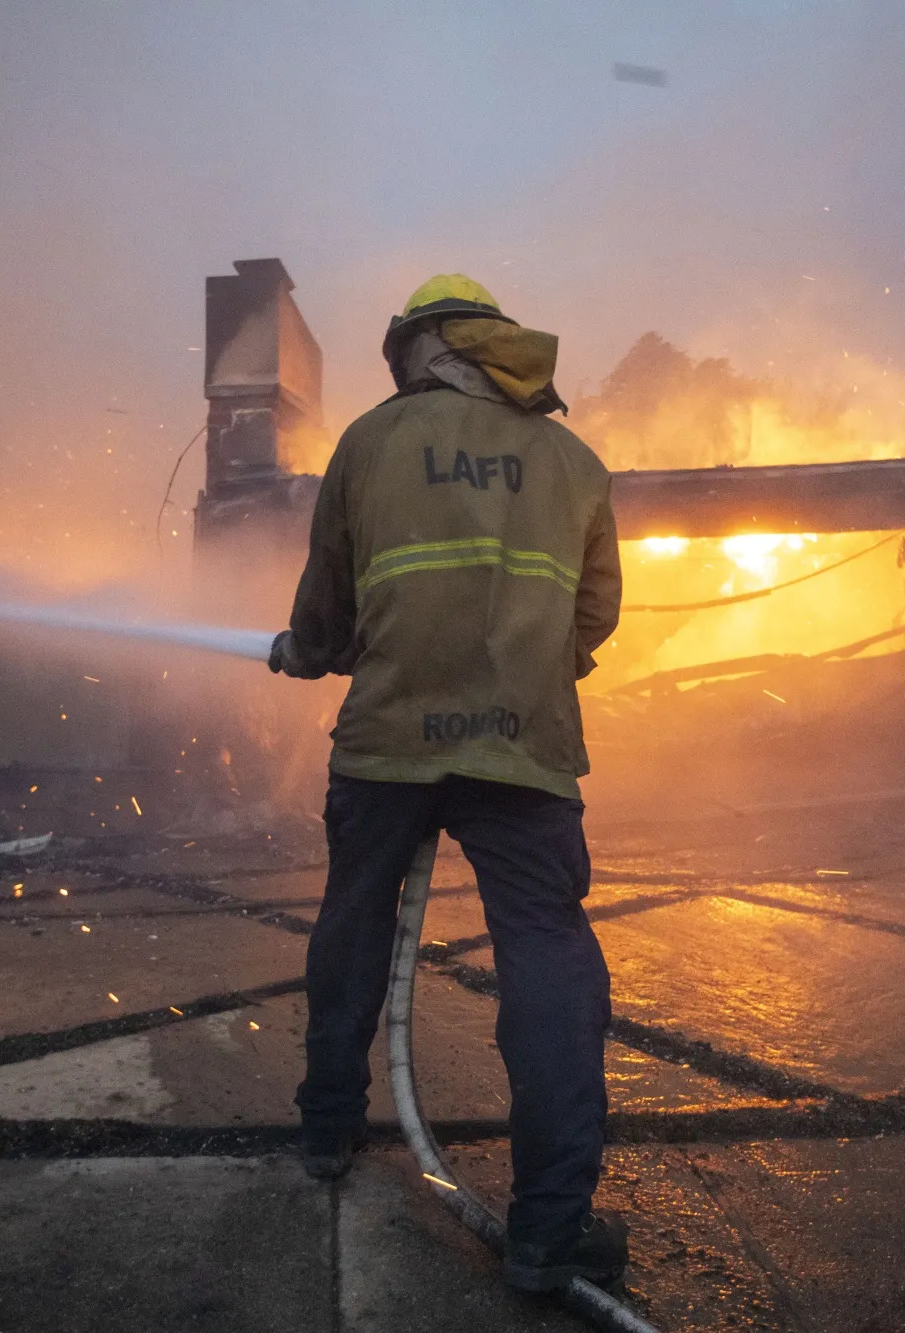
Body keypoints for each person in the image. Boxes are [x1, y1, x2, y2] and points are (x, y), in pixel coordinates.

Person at [268, 274, 627, 1293]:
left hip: (386, 743)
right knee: (548, 959)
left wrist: (312, 649)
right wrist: (520, 682)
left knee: (353, 921)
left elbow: (329, 600)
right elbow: (592, 615)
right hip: (523, 750)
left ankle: (326, 1133)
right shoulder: (573, 461)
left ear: (419, 345)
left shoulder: (370, 442)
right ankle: (547, 1233)